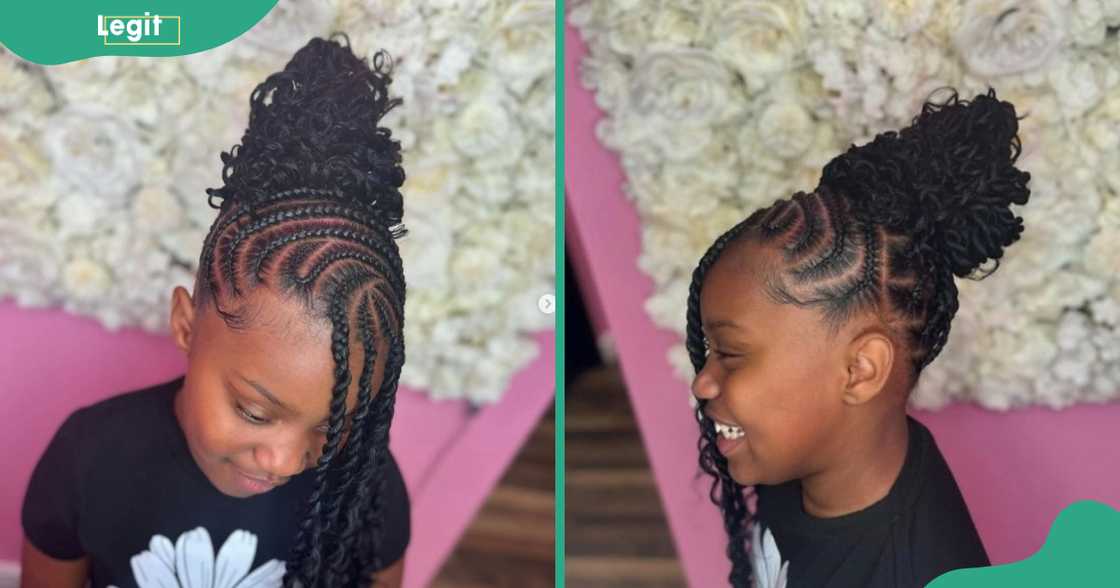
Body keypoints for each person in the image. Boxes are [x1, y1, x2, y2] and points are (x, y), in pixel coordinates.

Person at [21, 35, 411, 588]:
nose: (284, 460)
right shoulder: (88, 458)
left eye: (333, 428)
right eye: (254, 411)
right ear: (185, 323)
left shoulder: (365, 489)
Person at [687, 88, 1031, 587]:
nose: (703, 381)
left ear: (860, 370)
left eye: (731, 353)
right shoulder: (796, 455)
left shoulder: (914, 571)